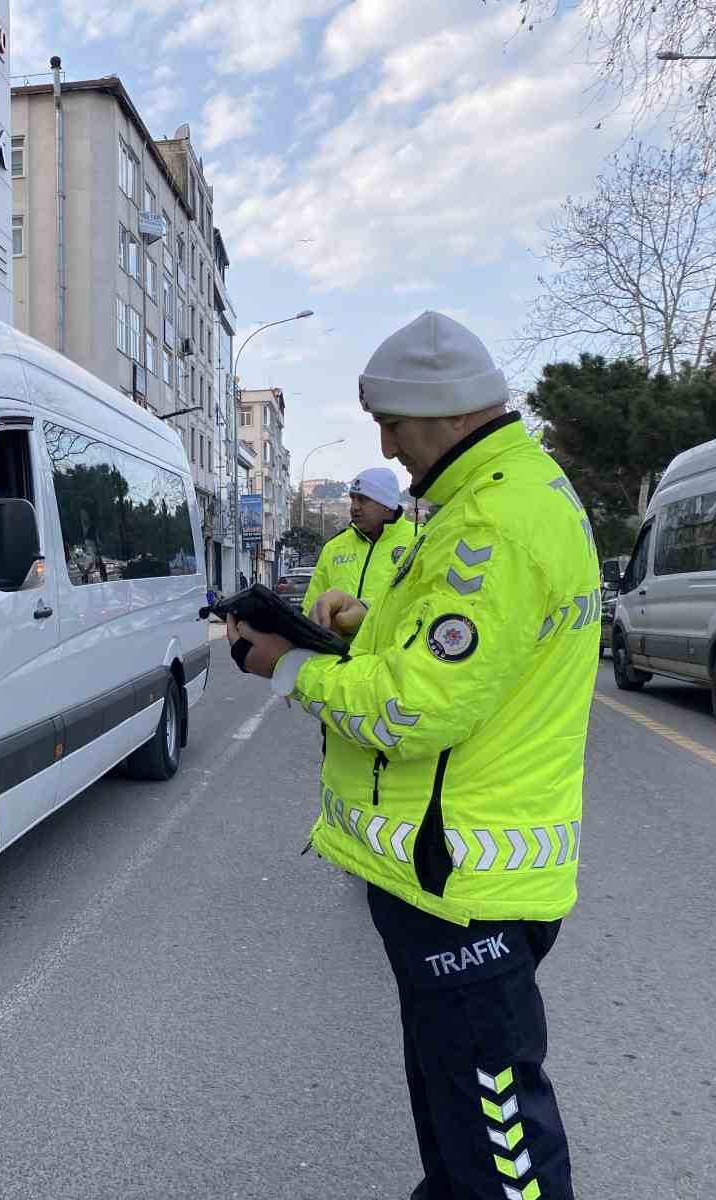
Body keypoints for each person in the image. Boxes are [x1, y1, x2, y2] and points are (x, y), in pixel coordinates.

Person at [227, 311, 597, 1200]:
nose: (386, 447)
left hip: (463, 887)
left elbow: (412, 706)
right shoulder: (489, 499)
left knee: (500, 1150)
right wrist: (364, 626)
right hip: (452, 876)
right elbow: (450, 659)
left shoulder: (493, 525)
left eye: (392, 420)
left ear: (446, 410)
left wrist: (288, 668)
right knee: (458, 1120)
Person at [301, 466, 419, 618]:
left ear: (387, 505)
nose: (354, 507)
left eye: (363, 499)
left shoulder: (419, 539)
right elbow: (312, 608)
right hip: (339, 642)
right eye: (352, 498)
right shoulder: (334, 547)